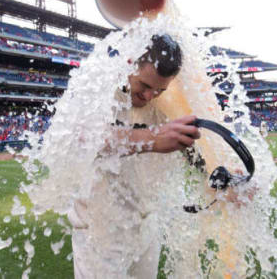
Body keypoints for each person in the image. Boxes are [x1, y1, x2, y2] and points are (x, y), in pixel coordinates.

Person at [68, 34, 202, 278]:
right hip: (99, 231)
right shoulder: (98, 88)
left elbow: (197, 150)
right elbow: (88, 139)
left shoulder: (166, 103)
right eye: (145, 86)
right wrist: (153, 138)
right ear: (129, 64)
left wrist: (223, 176)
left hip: (146, 225)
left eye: (160, 90)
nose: (150, 96)